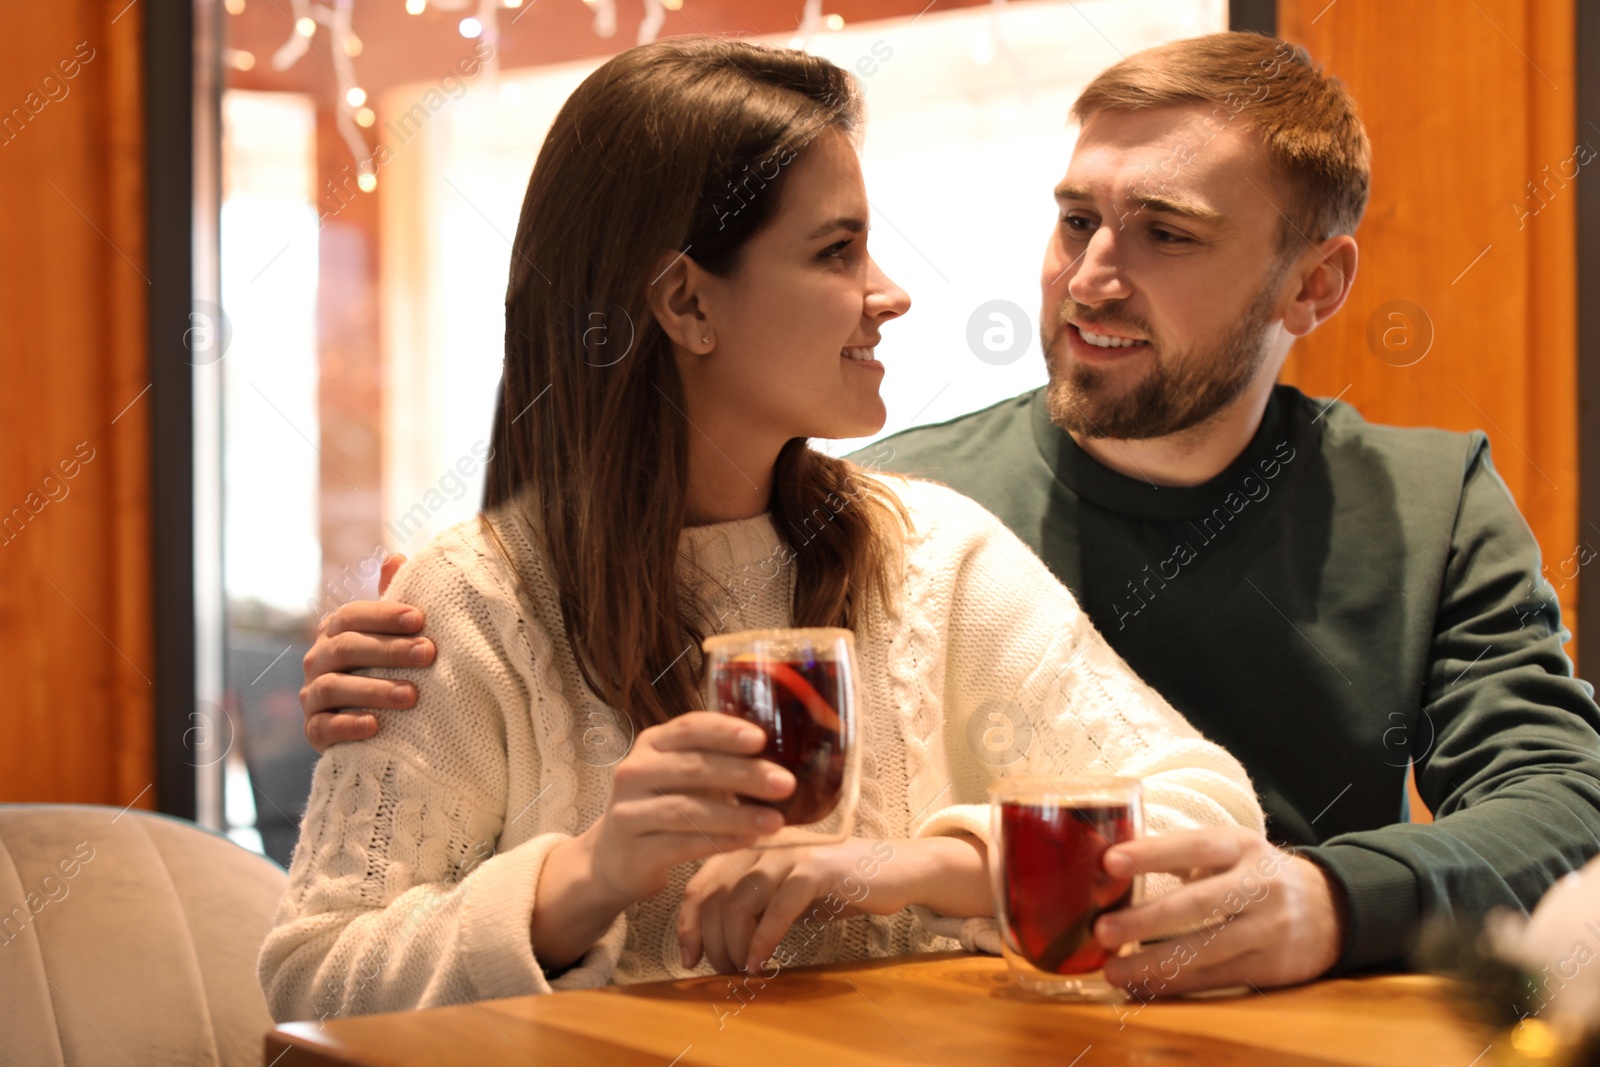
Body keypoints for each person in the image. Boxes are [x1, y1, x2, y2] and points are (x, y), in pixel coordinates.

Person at [301, 30, 1600, 998]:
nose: (1094, 274)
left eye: (1166, 233)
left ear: (1314, 285)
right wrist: (437, 672)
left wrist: (1324, 899)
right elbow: (318, 962)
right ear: (685, 304)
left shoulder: (927, 542)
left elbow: (1560, 801)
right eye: (1078, 218)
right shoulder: (919, 498)